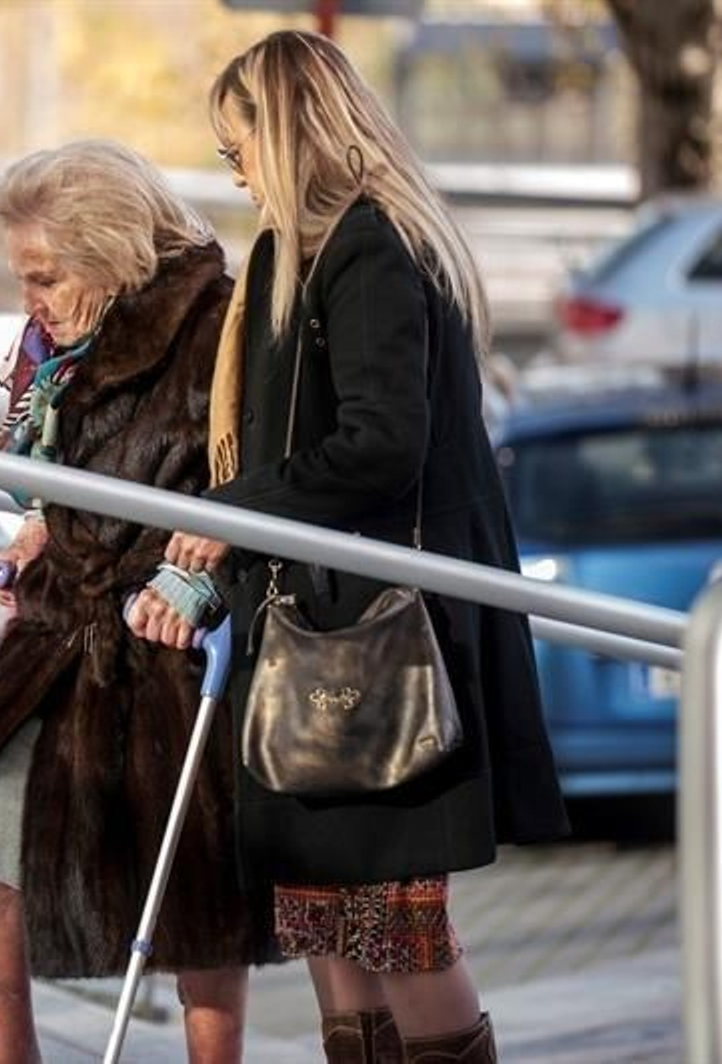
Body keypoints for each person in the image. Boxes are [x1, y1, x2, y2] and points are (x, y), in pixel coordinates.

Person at [129, 31, 570, 1064]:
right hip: (311, 628)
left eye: (240, 143)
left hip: (382, 635)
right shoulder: (289, 251)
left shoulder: (370, 245)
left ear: (287, 130)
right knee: (327, 923)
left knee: (394, 927)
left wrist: (231, 511)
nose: (231, 165)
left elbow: (381, 442)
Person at [0, 140, 270, 1064]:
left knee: (195, 892)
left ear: (108, 252)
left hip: (168, 637)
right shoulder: (56, 346)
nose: (30, 299)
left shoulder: (217, 327)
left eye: (45, 276)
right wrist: (37, 527)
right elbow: (44, 477)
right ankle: (8, 1051)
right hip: (64, 633)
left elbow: (253, 480)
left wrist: (198, 576)